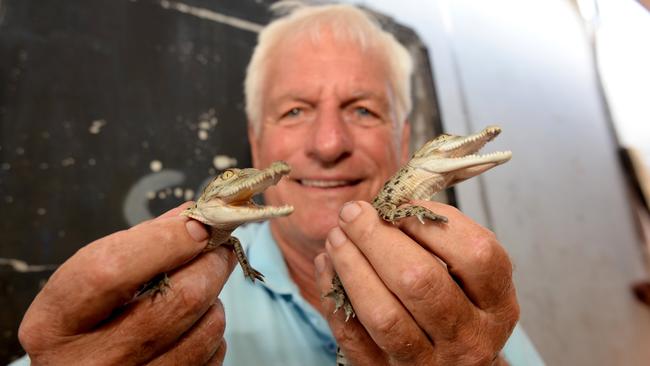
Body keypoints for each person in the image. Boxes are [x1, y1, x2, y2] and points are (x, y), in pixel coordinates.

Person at [16, 3, 543, 366]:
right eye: (295, 110)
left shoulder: (466, 306)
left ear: (404, 141)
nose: (329, 142)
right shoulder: (157, 296)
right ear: (255, 142)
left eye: (363, 109)